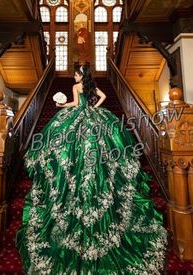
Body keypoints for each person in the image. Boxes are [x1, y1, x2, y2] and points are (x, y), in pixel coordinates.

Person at [16, 65, 167, 274]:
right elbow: (103, 96)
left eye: (77, 73)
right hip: (95, 117)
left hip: (78, 118)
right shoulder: (90, 86)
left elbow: (76, 104)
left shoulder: (77, 86)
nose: (75, 76)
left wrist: (63, 106)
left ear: (81, 76)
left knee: (68, 146)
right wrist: (94, 109)